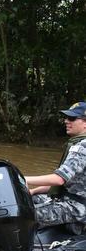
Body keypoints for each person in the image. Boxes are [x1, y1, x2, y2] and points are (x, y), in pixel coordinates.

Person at [26, 101, 86, 235]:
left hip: (77, 209)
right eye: (66, 118)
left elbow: (59, 180)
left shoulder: (83, 147)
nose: (66, 121)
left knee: (22, 215)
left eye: (71, 118)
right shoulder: (78, 144)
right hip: (69, 199)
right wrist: (33, 191)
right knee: (26, 198)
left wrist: (22, 178)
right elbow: (65, 184)